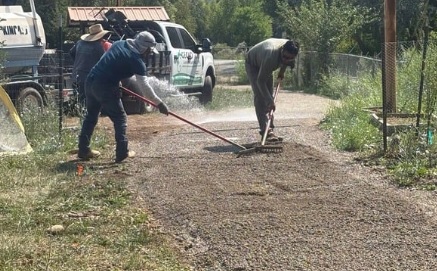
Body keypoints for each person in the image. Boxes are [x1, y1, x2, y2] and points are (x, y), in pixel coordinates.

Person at [77, 31, 169, 163]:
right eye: (149, 50)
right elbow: (144, 87)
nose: (149, 54)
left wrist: (116, 78)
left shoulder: (120, 43)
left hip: (91, 80)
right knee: (120, 118)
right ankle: (122, 152)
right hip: (105, 86)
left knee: (91, 116)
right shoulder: (136, 60)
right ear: (144, 47)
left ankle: (83, 149)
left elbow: (110, 60)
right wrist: (159, 104)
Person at [245, 38, 299, 142]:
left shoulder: (291, 49)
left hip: (265, 62)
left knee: (269, 96)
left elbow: (286, 62)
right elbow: (260, 81)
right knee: (261, 97)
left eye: (290, 58)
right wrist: (270, 101)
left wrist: (281, 72)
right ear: (282, 50)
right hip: (253, 64)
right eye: (285, 57)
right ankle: (266, 131)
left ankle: (270, 130)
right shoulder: (271, 57)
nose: (286, 60)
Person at [69, 24, 111, 107]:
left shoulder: (79, 43)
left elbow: (71, 52)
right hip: (90, 77)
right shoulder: (98, 46)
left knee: (80, 98)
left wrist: (78, 62)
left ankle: (80, 111)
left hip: (77, 74)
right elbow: (105, 62)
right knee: (90, 100)